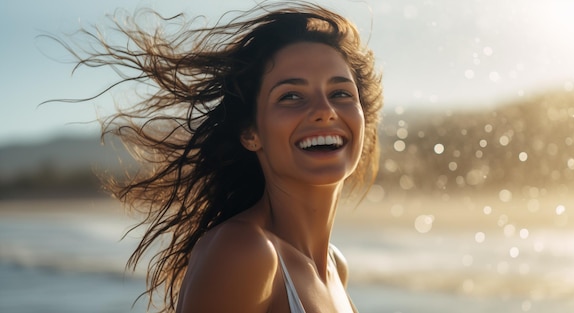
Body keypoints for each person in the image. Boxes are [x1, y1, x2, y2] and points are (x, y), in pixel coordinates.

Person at [60, 1, 382, 312]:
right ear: (250, 133)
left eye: (340, 93)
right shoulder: (245, 253)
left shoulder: (335, 268)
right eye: (291, 96)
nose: (325, 112)